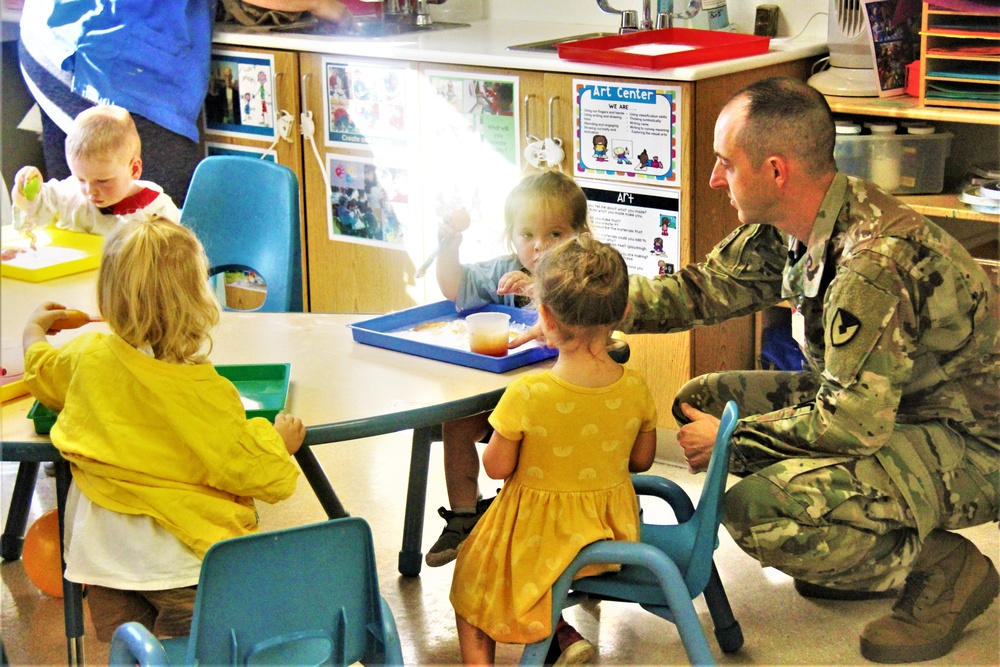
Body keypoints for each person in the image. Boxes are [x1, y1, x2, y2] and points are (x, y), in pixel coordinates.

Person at [619, 77, 999, 664]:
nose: (715, 178)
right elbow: (700, 290)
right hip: (899, 408)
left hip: (973, 441)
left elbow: (852, 425)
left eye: (725, 163)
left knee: (762, 511)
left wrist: (731, 439)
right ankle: (861, 538)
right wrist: (581, 305)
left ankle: (944, 569)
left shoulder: (871, 265)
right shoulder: (802, 218)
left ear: (775, 170)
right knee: (709, 397)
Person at [21, 216, 305, 642]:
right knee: (197, 653)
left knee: (133, 655)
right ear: (198, 301)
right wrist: (277, 442)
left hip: (104, 561)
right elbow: (245, 466)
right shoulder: (204, 390)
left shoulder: (87, 357)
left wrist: (34, 331)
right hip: (182, 563)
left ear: (107, 297)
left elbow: (42, 372)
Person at [450, 234, 658, 666]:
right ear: (622, 313)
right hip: (611, 536)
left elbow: (494, 468)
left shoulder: (528, 393)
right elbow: (641, 461)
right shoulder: (636, 388)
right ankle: (558, 636)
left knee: (469, 581)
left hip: (541, 541)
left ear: (544, 314)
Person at [18, 0, 349, 206]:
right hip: (115, 60)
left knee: (80, 217)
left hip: (54, 40)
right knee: (161, 230)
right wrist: (325, 5)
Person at [428, 170, 591, 569]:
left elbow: (579, 329)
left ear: (581, 234)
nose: (539, 247)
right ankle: (465, 515)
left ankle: (523, 521)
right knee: (457, 423)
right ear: (511, 237)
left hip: (565, 409)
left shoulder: (588, 274)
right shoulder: (503, 267)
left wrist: (537, 289)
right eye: (527, 235)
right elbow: (455, 288)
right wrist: (449, 244)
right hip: (509, 404)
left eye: (555, 234)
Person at [11, 106, 180, 237]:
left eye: (102, 180)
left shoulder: (158, 211)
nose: (89, 190)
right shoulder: (71, 195)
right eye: (81, 179)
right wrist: (23, 189)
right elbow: (32, 210)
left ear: (134, 169)